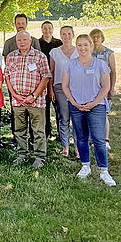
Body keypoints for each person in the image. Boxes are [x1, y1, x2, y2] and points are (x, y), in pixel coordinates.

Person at [62, 34, 115, 186]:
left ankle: (103, 171)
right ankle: (85, 165)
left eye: (86, 45)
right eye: (79, 45)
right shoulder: (70, 64)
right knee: (81, 137)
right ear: (76, 46)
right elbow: (65, 85)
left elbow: (106, 86)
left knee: (98, 139)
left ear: (91, 46)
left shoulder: (100, 64)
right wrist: (74, 102)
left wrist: (93, 103)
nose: (83, 48)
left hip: (96, 106)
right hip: (76, 106)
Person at [4, 30, 51, 169]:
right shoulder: (11, 57)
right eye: (19, 40)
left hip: (36, 101)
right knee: (19, 130)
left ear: (30, 41)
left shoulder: (40, 56)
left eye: (25, 40)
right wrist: (15, 95)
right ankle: (22, 155)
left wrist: (33, 96)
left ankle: (39, 157)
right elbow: (7, 77)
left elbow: (46, 77)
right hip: (17, 101)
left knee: (38, 131)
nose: (22, 43)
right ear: (16, 42)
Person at [2, 14, 41, 143]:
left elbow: (38, 61)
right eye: (18, 23)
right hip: (15, 85)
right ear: (15, 24)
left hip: (31, 85)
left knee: (32, 111)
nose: (20, 25)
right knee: (16, 111)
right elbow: (6, 63)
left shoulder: (34, 41)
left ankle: (32, 137)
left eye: (22, 23)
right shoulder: (9, 42)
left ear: (26, 24)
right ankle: (16, 137)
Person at [49, 26, 78, 157]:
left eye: (68, 34)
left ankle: (78, 146)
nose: (66, 36)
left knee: (77, 118)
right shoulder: (54, 52)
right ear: (60, 36)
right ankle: (65, 145)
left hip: (77, 88)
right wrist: (51, 89)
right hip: (60, 87)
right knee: (63, 117)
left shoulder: (79, 51)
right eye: (63, 34)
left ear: (73, 35)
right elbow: (52, 72)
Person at [90, 28, 116, 150]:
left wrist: (111, 88)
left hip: (104, 88)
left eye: (98, 37)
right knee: (90, 114)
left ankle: (105, 140)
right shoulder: (88, 52)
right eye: (93, 37)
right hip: (90, 88)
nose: (96, 39)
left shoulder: (108, 53)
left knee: (103, 114)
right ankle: (93, 139)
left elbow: (113, 72)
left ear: (102, 38)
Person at [39, 21, 62, 139]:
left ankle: (61, 133)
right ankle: (47, 132)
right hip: (42, 79)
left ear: (52, 29)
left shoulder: (59, 43)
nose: (47, 30)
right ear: (42, 29)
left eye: (49, 28)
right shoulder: (37, 43)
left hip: (56, 77)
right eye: (45, 28)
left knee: (59, 107)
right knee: (45, 108)